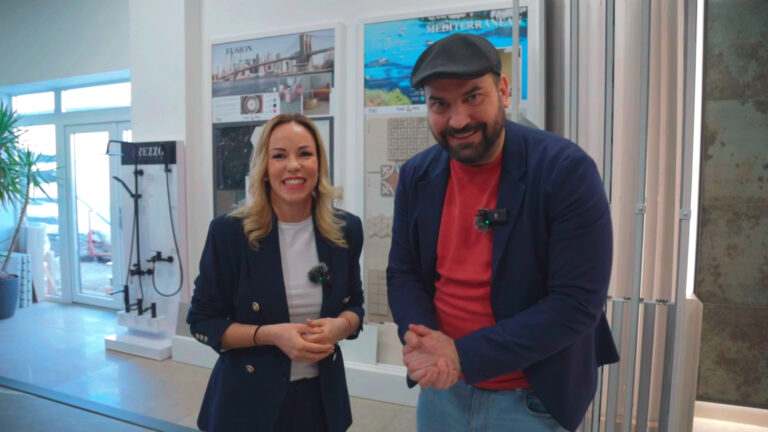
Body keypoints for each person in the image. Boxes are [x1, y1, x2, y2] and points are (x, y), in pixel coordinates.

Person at [387, 33, 619, 432]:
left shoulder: (565, 171)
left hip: (531, 397)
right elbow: (403, 273)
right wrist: (424, 340)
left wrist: (462, 354)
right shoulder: (416, 175)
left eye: (473, 97)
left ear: (504, 90)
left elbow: (576, 303)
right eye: (440, 104)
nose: (458, 120)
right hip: (443, 390)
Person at [188, 113, 364, 432]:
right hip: (249, 401)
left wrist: (341, 325)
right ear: (264, 168)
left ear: (319, 164)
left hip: (322, 403)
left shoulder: (345, 230)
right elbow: (203, 321)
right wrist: (270, 335)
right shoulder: (229, 233)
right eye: (279, 156)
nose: (293, 165)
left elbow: (355, 305)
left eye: (305, 154)